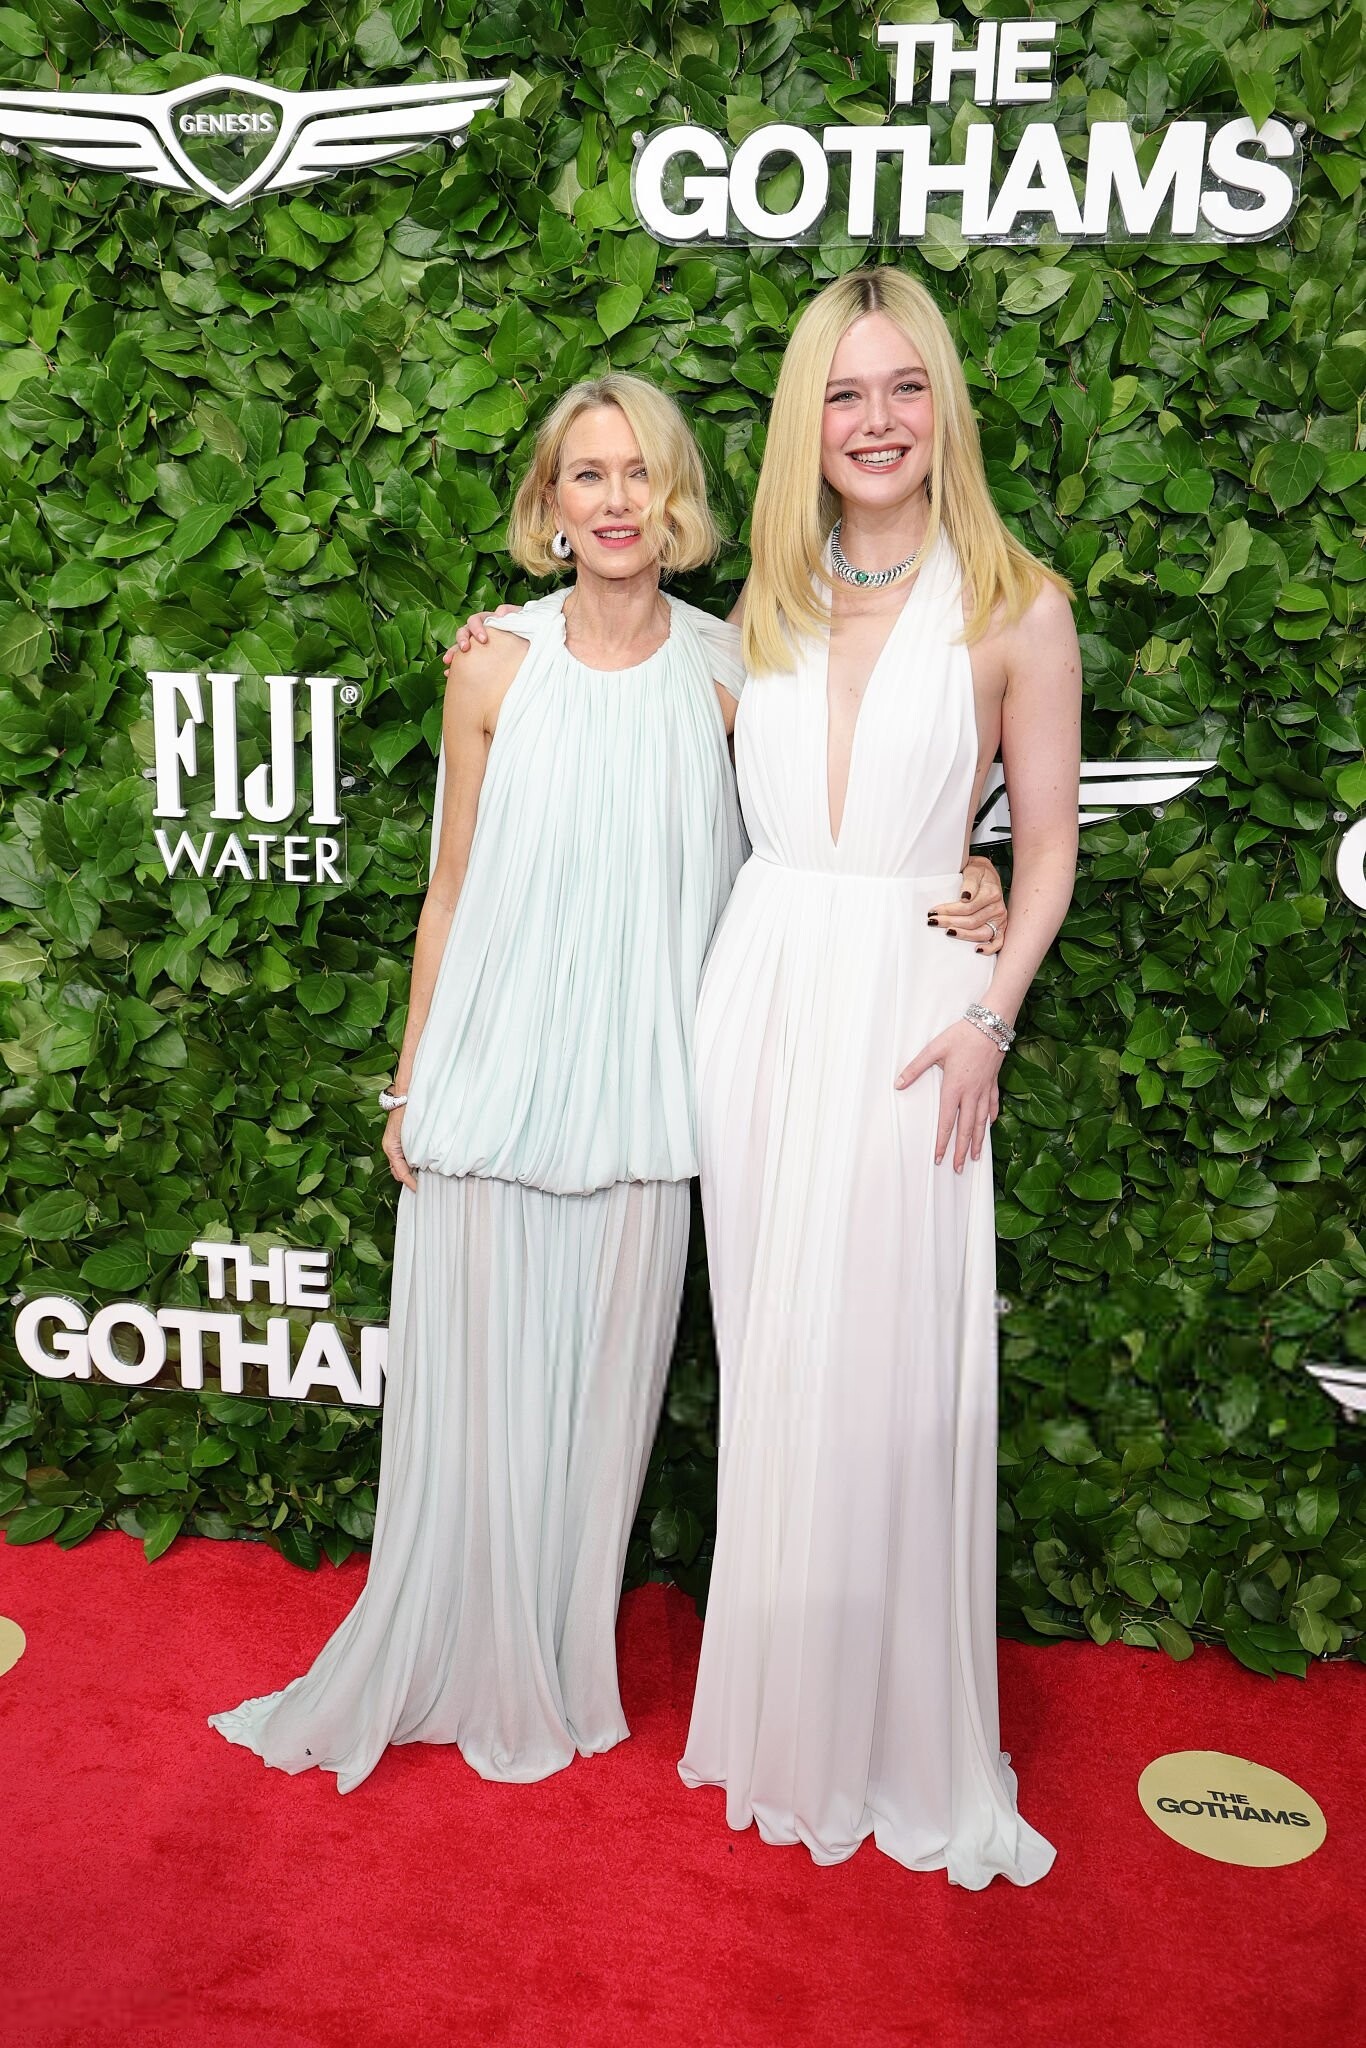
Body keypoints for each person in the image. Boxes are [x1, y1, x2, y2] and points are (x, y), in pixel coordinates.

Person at [208, 373, 750, 1790]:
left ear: (678, 499)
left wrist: (970, 875)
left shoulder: (734, 677)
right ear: (549, 504)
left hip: (644, 1108)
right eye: (587, 474)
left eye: (640, 472)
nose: (616, 500)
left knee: (597, 1426)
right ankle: (449, 1647)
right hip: (489, 1091)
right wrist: (412, 1082)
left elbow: (815, 855)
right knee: (475, 1418)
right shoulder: (492, 666)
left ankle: (548, 1664)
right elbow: (446, 892)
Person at [677, 268, 1081, 1886]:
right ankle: (783, 1714)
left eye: (905, 386)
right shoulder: (756, 607)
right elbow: (609, 685)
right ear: (806, 418)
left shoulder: (1016, 606)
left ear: (944, 407)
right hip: (759, 1003)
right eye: (844, 393)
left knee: (895, 1376)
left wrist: (990, 1013)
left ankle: (895, 1731)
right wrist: (503, 640)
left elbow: (1043, 853)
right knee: (777, 1361)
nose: (876, 420)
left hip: (919, 1019)